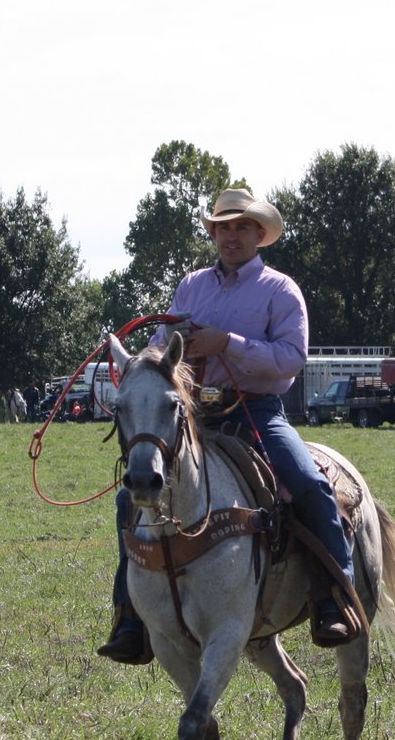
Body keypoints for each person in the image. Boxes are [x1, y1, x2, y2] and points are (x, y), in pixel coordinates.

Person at [98, 188, 358, 664]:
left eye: (241, 227)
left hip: (257, 413)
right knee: (127, 499)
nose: (231, 236)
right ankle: (130, 616)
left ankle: (335, 598)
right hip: (193, 417)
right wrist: (143, 359)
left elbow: (291, 359)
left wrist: (227, 344)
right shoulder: (191, 286)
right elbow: (161, 345)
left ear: (259, 234)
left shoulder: (281, 290)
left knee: (308, 483)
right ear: (214, 234)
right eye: (223, 228)